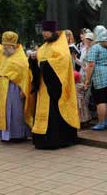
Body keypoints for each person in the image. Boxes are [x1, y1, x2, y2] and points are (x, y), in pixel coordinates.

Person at [28, 20, 80, 149]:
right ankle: (42, 140)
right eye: (44, 32)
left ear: (54, 33)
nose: (44, 34)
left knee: (54, 114)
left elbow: (60, 63)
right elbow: (40, 62)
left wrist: (44, 63)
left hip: (56, 88)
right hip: (43, 87)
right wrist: (33, 59)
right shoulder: (44, 46)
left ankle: (56, 140)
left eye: (47, 32)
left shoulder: (60, 46)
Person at [0, 31, 32, 142]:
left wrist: (24, 90)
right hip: (3, 88)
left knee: (15, 113)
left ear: (13, 46)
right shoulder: (6, 56)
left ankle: (17, 135)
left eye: (6, 46)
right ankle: (5, 135)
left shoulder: (21, 58)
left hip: (15, 88)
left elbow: (25, 74)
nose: (4, 48)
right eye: (3, 45)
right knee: (5, 112)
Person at [85, 25, 107, 130]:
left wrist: (87, 80)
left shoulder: (95, 47)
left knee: (100, 100)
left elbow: (91, 65)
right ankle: (106, 121)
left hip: (99, 74)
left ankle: (101, 123)